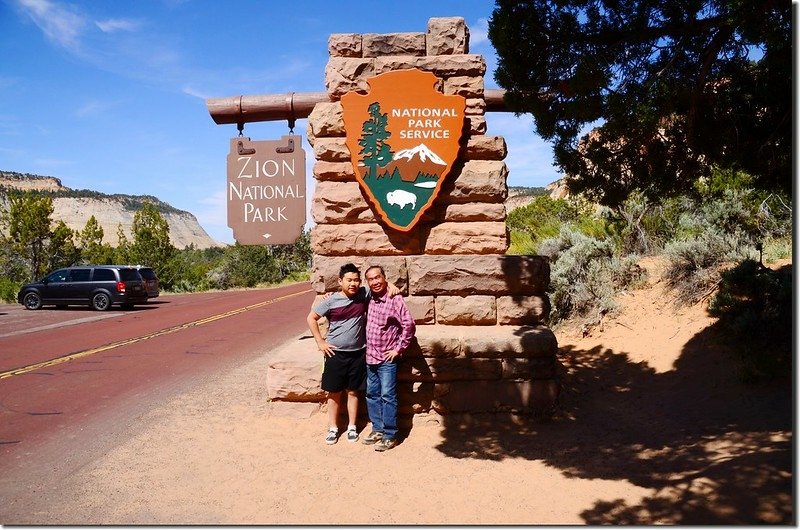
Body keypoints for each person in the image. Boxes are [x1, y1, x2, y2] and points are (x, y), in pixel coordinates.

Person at [306, 263, 400, 445]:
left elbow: (377, 284)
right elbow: (311, 318)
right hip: (334, 354)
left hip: (358, 354)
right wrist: (320, 341)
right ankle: (333, 428)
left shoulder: (363, 295)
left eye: (356, 280)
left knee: (353, 392)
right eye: (349, 280)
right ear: (340, 281)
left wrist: (391, 285)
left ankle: (352, 427)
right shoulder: (331, 300)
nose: (353, 284)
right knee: (333, 393)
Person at [362, 265, 415, 452]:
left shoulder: (394, 298)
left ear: (384, 278)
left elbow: (409, 325)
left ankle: (390, 434)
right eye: (371, 279)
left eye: (378, 277)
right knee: (372, 395)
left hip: (387, 359)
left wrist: (399, 349)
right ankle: (377, 428)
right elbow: (348, 291)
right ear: (367, 282)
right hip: (370, 357)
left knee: (387, 396)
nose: (375, 281)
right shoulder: (367, 296)